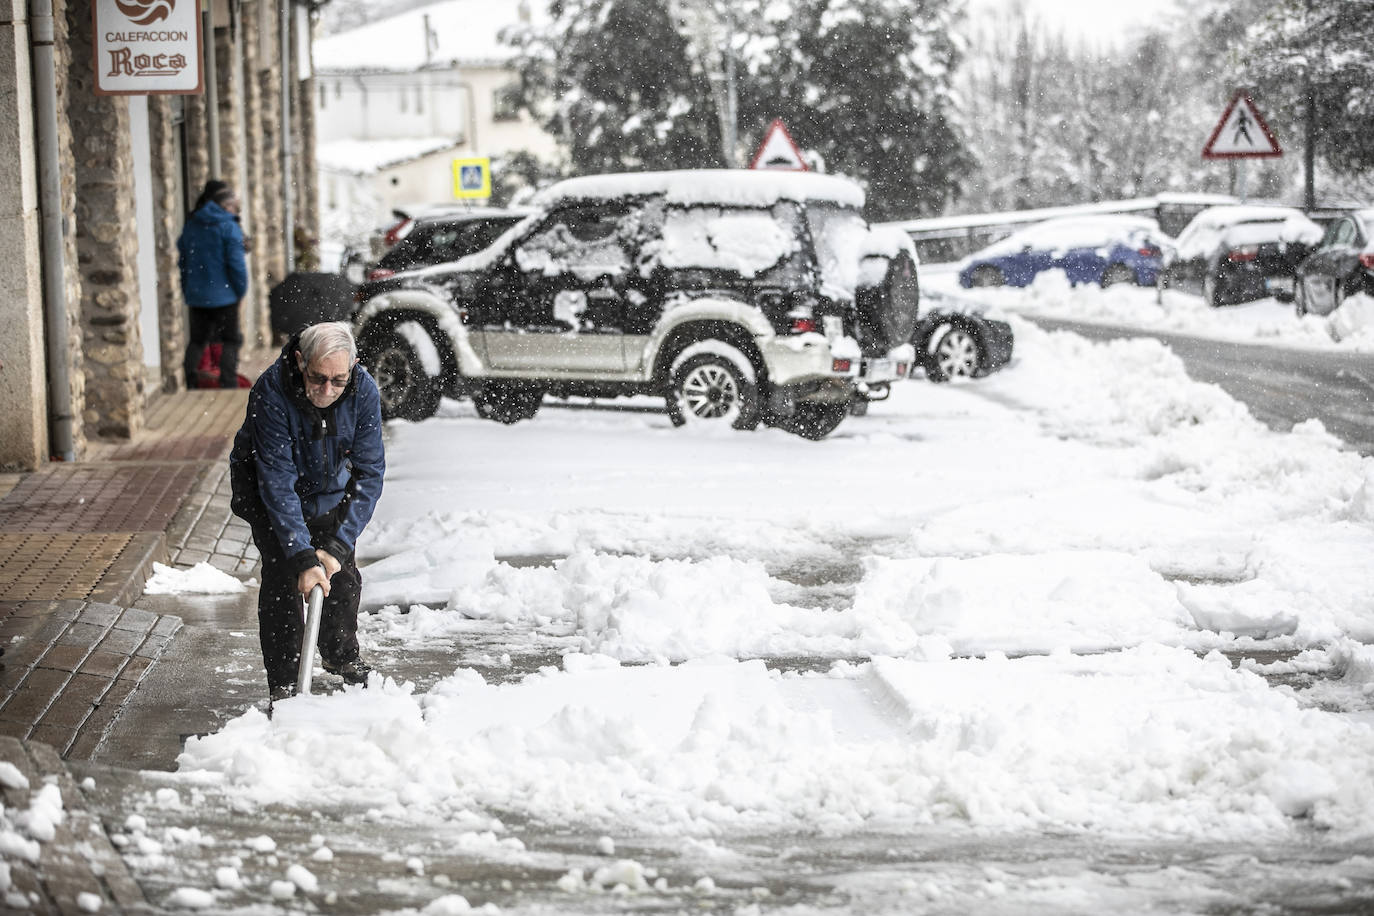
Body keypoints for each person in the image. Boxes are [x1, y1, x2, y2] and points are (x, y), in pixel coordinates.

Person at [228, 322, 386, 701]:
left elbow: (370, 474)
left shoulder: (363, 390)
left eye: (338, 380)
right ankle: (285, 681)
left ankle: (340, 655)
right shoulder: (272, 392)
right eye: (318, 378)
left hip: (330, 493)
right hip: (269, 497)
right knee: (285, 582)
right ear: (300, 362)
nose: (327, 391)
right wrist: (302, 556)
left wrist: (334, 546)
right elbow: (277, 481)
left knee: (342, 579)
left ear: (353, 367)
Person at [178, 183, 248, 389]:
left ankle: (190, 381)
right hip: (225, 295)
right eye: (233, 203)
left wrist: (188, 288)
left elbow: (183, 260)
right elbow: (236, 265)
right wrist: (239, 290)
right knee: (231, 339)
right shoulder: (228, 226)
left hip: (197, 295)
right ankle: (228, 382)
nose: (235, 207)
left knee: (198, 340)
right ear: (225, 204)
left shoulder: (192, 223)